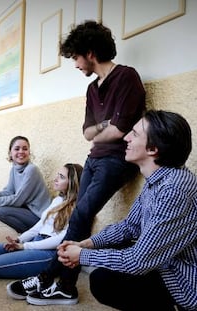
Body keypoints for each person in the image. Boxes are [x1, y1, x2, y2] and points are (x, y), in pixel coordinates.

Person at [7, 20, 146, 304]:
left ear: (90, 52)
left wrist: (103, 129)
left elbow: (119, 131)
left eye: (75, 57)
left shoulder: (127, 77)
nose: (74, 64)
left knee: (81, 214)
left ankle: (48, 277)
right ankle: (65, 286)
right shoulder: (92, 89)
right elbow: (87, 133)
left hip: (117, 161)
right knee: (79, 216)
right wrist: (103, 127)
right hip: (94, 159)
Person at [55, 110, 197, 311]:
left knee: (104, 281)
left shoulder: (174, 189)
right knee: (110, 256)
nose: (126, 137)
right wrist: (87, 244)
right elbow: (130, 226)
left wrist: (81, 255)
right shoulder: (158, 178)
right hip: (164, 264)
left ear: (153, 148)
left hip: (184, 283)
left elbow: (139, 260)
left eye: (135, 134)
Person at [0, 136, 51, 233]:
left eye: (25, 149)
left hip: (40, 217)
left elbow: (18, 200)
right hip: (28, 211)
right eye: (17, 149)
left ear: (29, 152)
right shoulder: (14, 169)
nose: (21, 152)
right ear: (10, 153)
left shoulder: (31, 170)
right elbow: (9, 192)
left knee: (2, 211)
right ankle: (27, 236)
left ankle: (33, 236)